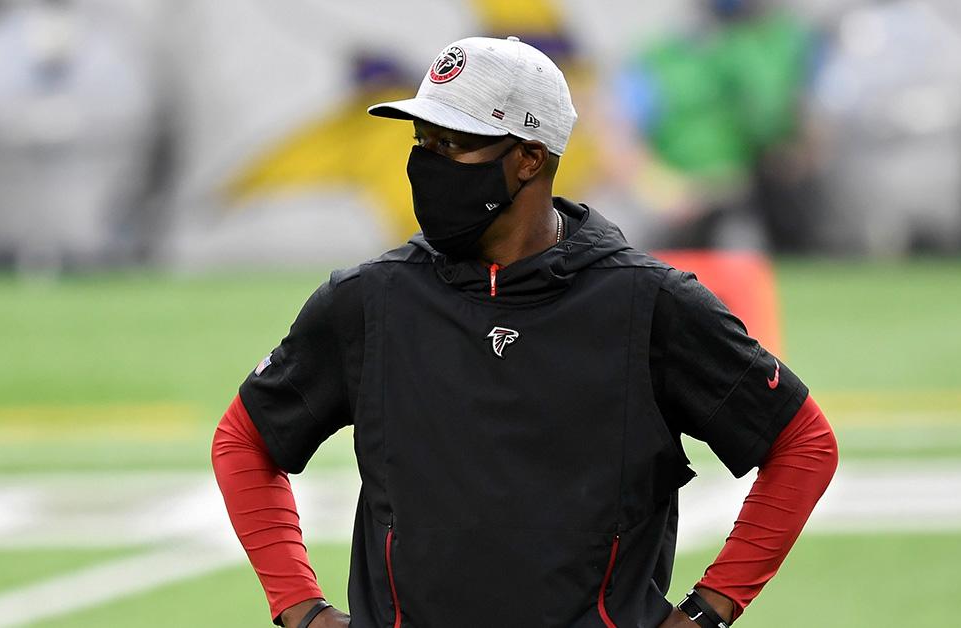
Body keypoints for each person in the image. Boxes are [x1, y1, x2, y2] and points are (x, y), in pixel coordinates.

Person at [212, 36, 837, 628]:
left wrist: (708, 609)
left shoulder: (649, 304)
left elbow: (803, 442)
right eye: (422, 140)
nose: (425, 164)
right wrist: (301, 607)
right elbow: (245, 438)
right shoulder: (367, 301)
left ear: (530, 159)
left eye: (452, 144)